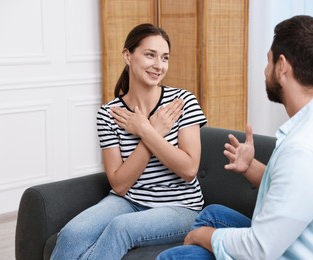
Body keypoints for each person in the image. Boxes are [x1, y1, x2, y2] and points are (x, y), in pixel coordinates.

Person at [157, 15, 313, 259]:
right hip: (307, 241)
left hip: (297, 252)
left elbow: (258, 250)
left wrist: (200, 236)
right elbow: (297, 190)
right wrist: (250, 166)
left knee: (175, 255)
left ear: (282, 66)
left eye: (268, 61)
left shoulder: (307, 149)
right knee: (212, 215)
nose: (265, 71)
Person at [51, 23, 207, 260]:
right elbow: (120, 184)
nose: (158, 65)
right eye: (150, 55)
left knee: (120, 228)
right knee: (72, 234)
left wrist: (145, 130)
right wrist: (151, 131)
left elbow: (188, 169)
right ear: (128, 55)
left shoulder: (182, 102)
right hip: (129, 201)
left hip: (181, 208)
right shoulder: (109, 113)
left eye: (165, 58)